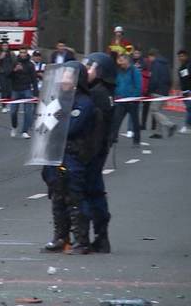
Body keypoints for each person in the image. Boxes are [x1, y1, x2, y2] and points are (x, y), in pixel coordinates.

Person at [42, 61, 96, 254]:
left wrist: (56, 121)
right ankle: (60, 237)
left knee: (75, 198)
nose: (64, 79)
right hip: (56, 154)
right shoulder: (58, 100)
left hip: (74, 155)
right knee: (58, 198)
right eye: (63, 75)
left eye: (68, 75)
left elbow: (71, 128)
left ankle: (81, 240)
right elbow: (45, 125)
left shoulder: (83, 102)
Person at [83, 52, 117, 254]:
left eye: (90, 68)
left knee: (88, 192)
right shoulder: (103, 92)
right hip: (97, 150)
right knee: (95, 191)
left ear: (101, 72)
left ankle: (87, 237)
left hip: (92, 151)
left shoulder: (98, 94)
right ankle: (99, 237)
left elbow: (93, 127)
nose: (86, 71)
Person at [7, 47, 38, 139]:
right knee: (13, 111)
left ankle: (25, 131)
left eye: (24, 52)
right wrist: (14, 70)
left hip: (27, 89)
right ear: (19, 53)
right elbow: (7, 75)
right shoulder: (14, 63)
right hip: (15, 89)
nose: (22, 54)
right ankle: (14, 126)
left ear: (27, 53)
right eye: (21, 52)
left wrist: (35, 93)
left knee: (28, 112)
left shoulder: (30, 65)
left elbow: (34, 79)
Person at [111, 54, 142, 147]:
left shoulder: (134, 71)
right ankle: (113, 138)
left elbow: (138, 86)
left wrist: (133, 97)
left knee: (135, 121)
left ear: (127, 60)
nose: (119, 62)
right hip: (121, 100)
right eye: (118, 60)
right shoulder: (119, 71)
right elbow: (116, 83)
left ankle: (136, 141)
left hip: (132, 100)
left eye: (121, 60)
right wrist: (116, 94)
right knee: (116, 120)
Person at [147, 49, 177, 138]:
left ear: (152, 56)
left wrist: (150, 90)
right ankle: (158, 132)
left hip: (157, 91)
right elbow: (170, 78)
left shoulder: (156, 64)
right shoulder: (165, 64)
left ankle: (170, 125)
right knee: (158, 111)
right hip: (165, 90)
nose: (149, 60)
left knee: (154, 111)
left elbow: (154, 79)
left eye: (149, 58)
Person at [132, 49, 152, 130]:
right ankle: (137, 125)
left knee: (147, 107)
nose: (136, 54)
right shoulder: (130, 61)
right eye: (135, 53)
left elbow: (148, 74)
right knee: (134, 107)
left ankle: (144, 124)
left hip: (145, 87)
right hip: (135, 88)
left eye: (138, 53)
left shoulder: (145, 62)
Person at [0, 41, 15, 113]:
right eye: (3, 46)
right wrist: (0, 58)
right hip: (2, 74)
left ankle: (8, 104)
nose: (5, 47)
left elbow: (15, 62)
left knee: (10, 90)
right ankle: (3, 106)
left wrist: (13, 69)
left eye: (6, 45)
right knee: (3, 90)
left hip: (10, 73)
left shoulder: (11, 53)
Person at [177, 50, 191, 134]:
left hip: (189, 91)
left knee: (189, 108)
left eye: (182, 56)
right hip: (184, 91)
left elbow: (188, 79)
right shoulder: (182, 67)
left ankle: (186, 126)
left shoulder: (189, 65)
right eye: (179, 56)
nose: (180, 58)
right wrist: (181, 90)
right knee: (189, 108)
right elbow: (183, 80)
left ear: (186, 56)